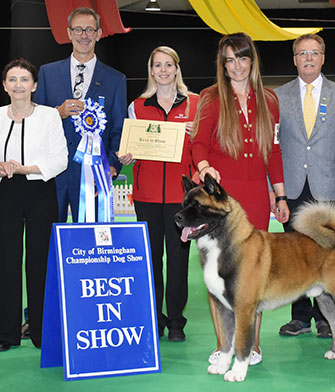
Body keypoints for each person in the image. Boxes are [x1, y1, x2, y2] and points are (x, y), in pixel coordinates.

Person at [191, 32, 290, 366]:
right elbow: (199, 144)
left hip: (256, 200)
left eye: (242, 58)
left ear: (252, 61)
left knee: (252, 276)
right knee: (216, 275)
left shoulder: (270, 100)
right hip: (220, 201)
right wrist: (205, 168)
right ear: (223, 64)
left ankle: (252, 343)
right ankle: (223, 346)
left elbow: (273, 152)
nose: (236, 66)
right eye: (229, 59)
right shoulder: (210, 97)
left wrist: (280, 195)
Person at [274, 33, 335, 338]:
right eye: (303, 53)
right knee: (295, 256)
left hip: (330, 187)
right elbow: (272, 146)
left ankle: (327, 318)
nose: (309, 58)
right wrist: (276, 190)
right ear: (294, 59)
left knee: (328, 257)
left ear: (323, 57)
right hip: (293, 187)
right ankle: (300, 317)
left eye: (315, 52)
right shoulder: (277, 96)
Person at [118, 46, 199, 342]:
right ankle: (154, 318)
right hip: (146, 197)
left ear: (177, 69)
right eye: (157, 66)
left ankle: (176, 321)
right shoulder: (137, 106)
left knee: (178, 262)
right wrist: (127, 156)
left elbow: (205, 146)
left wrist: (197, 133)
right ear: (150, 71)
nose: (163, 70)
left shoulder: (195, 103)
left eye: (169, 65)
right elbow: (132, 149)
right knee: (150, 261)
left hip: (182, 199)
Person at [34, 6, 126, 222]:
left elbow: (119, 129)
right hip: (52, 173)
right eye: (78, 30)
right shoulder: (47, 73)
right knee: (46, 240)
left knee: (89, 242)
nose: (84, 36)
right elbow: (35, 122)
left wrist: (111, 165)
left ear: (99, 34)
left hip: (93, 176)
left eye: (89, 30)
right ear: (68, 33)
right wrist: (58, 112)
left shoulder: (116, 79)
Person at [0, 58, 68, 352]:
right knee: (6, 261)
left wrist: (27, 169)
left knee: (40, 262)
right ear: (4, 85)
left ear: (35, 85)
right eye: (12, 79)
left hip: (40, 189)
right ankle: (7, 332)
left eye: (24, 79)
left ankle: (41, 331)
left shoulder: (49, 117)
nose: (18, 85)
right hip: (6, 192)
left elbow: (60, 159)